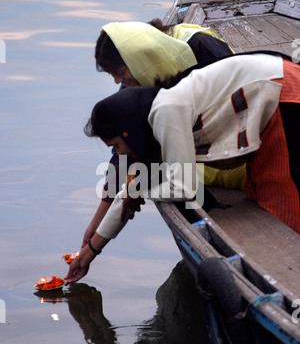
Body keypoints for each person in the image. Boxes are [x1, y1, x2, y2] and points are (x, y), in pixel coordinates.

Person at [64, 51, 300, 284]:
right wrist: (90, 252)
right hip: (271, 92)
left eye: (116, 145)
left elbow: (184, 188)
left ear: (127, 130)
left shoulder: (166, 110)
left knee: (282, 201)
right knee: (258, 193)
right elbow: (125, 198)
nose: (120, 154)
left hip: (283, 92)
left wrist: (138, 190)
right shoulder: (149, 120)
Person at [82, 20, 245, 250]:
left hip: (236, 149)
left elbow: (241, 103)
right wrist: (96, 228)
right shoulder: (139, 78)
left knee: (153, 172)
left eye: (119, 72)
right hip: (199, 159)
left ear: (137, 57)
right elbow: (124, 150)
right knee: (147, 166)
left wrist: (137, 189)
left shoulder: (201, 47)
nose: (118, 82)